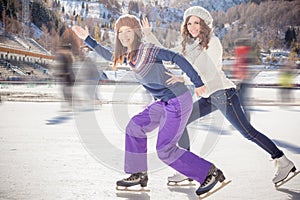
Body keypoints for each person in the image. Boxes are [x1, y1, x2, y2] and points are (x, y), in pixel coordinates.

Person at [72, 14, 226, 196]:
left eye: (128, 30)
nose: (124, 35)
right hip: (164, 103)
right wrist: (87, 39)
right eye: (120, 32)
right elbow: (109, 55)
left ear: (136, 32)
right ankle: (138, 174)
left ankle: (209, 172)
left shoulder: (148, 50)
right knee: (134, 127)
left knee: (164, 150)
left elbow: (177, 58)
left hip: (178, 100)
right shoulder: (129, 55)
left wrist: (198, 82)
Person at [142, 6, 296, 185]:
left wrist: (183, 77)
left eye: (196, 23)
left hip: (223, 94)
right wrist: (149, 35)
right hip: (208, 96)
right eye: (189, 23)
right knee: (181, 122)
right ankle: (187, 168)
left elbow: (209, 71)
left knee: (247, 132)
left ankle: (282, 161)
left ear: (204, 24)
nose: (192, 26)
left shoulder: (213, 42)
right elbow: (167, 53)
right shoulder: (190, 45)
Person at [53, 44, 75, 112]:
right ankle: (68, 106)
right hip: (66, 77)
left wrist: (63, 74)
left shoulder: (67, 57)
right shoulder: (67, 57)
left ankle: (69, 106)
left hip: (67, 78)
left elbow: (66, 68)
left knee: (66, 93)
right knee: (65, 92)